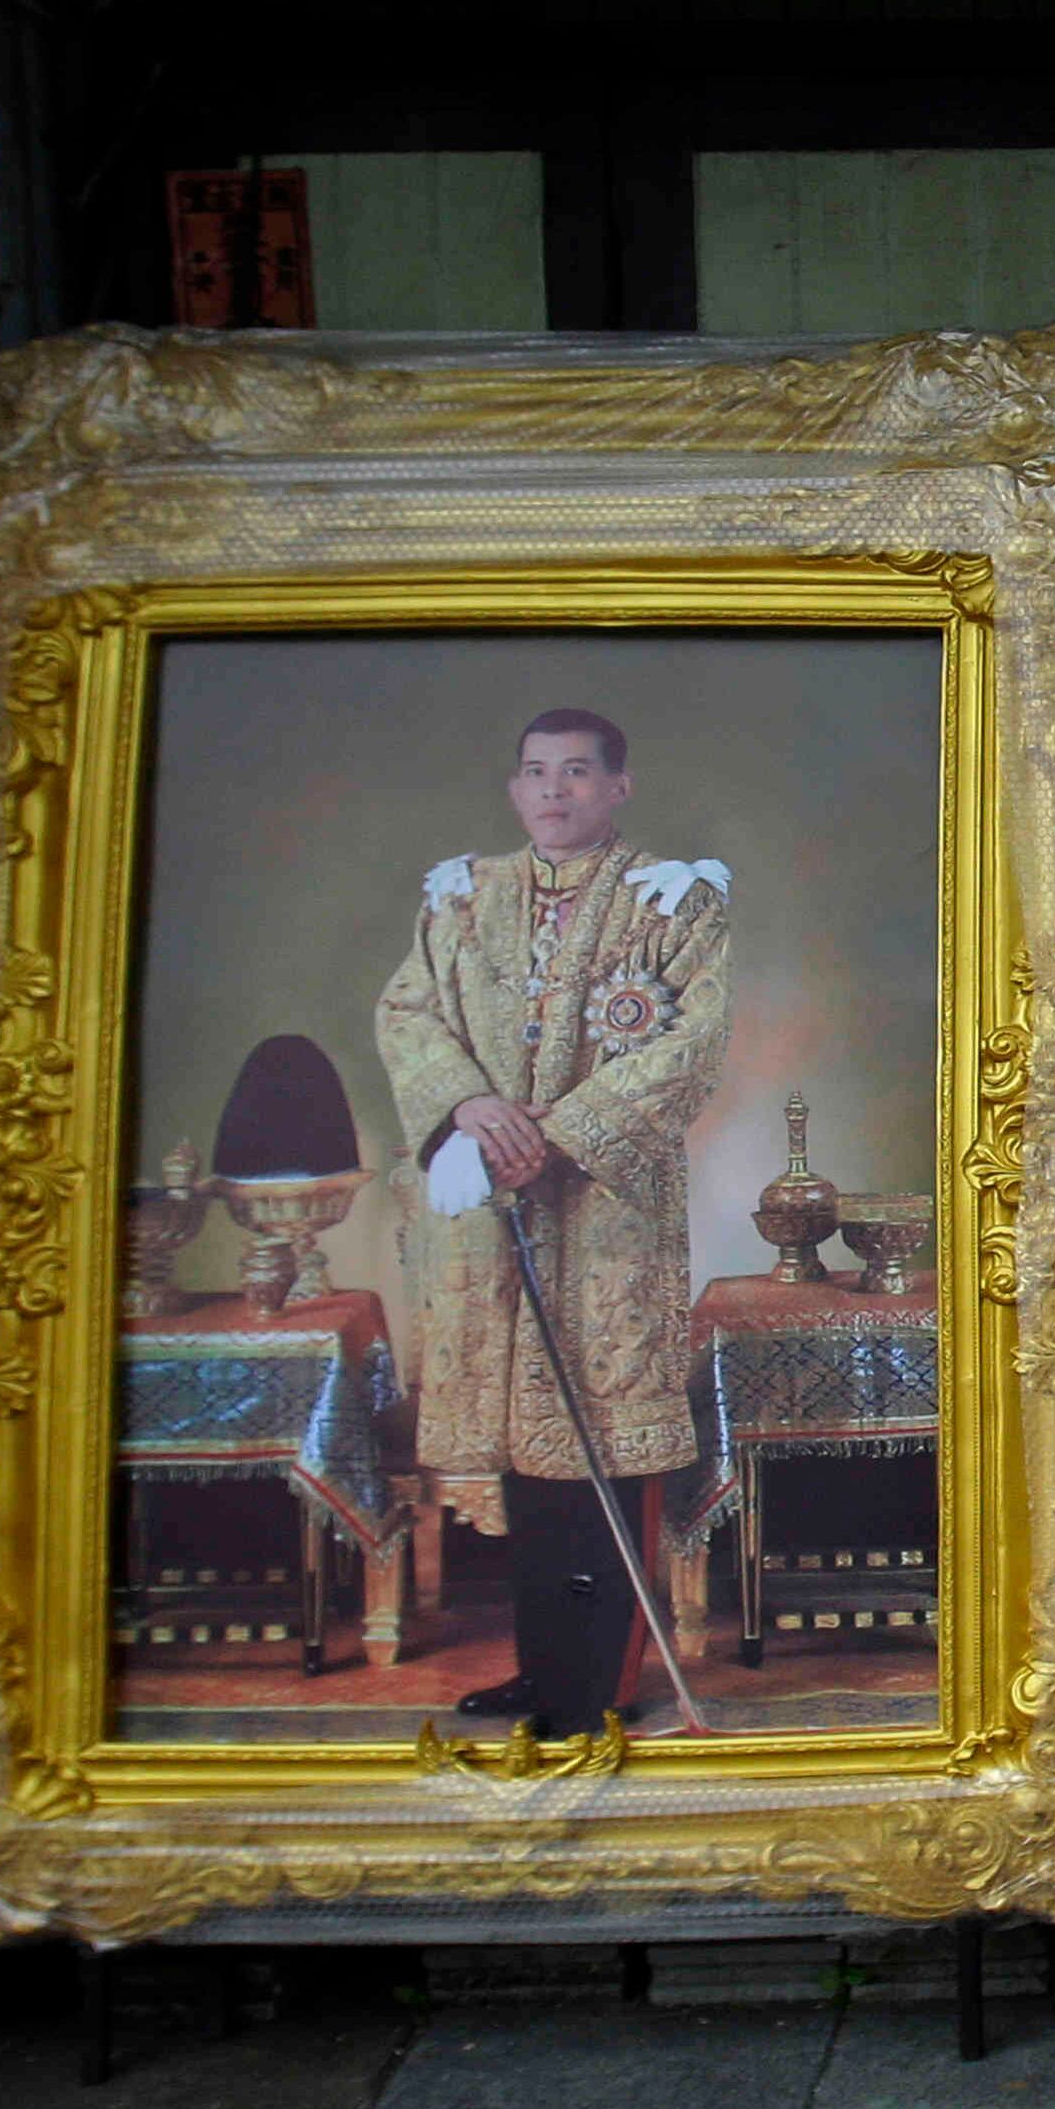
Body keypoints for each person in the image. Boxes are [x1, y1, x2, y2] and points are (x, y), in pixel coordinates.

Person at [373, 707, 731, 1737]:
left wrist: (558, 1133)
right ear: (515, 786)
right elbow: (409, 1013)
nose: (554, 791)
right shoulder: (462, 897)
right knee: (529, 1469)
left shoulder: (675, 899)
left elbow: (692, 1043)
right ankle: (543, 1674)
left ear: (617, 785)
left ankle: (597, 1687)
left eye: (576, 772)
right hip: (488, 1204)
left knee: (599, 1459)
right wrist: (472, 1112)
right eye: (536, 772)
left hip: (608, 1215)